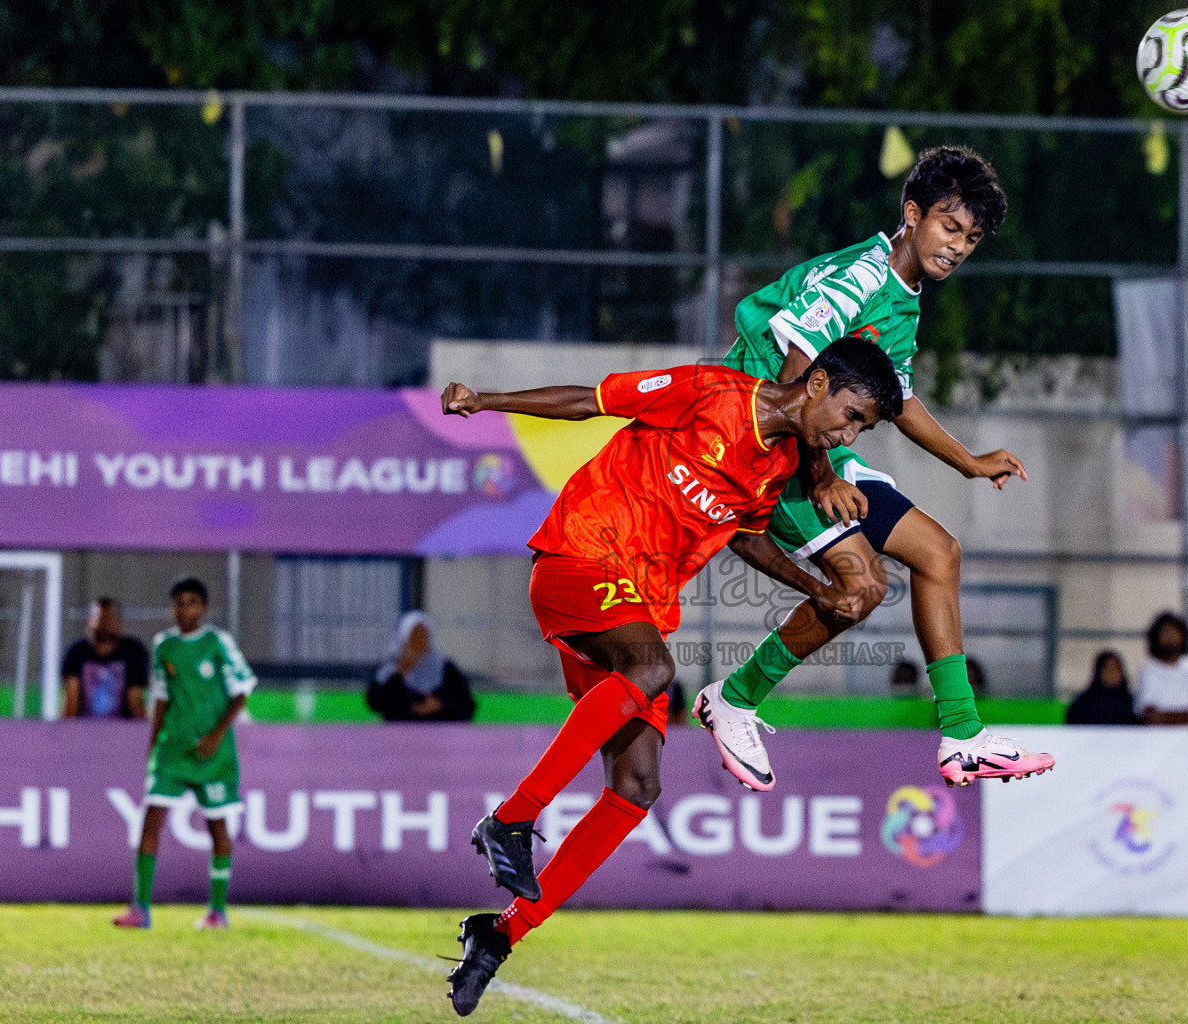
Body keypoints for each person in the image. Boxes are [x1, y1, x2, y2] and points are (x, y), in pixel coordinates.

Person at [437, 337, 905, 1015]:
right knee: (654, 668)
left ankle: (499, 934)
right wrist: (487, 400)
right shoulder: (710, 392)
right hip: (580, 556)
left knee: (638, 785)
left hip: (636, 607)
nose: (848, 431)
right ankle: (511, 820)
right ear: (818, 383)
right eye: (851, 414)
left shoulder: (775, 465)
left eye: (862, 426)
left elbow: (744, 536)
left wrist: (812, 585)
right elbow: (590, 402)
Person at [694, 145, 1054, 791]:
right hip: (760, 445)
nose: (959, 246)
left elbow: (900, 399)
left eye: (971, 237)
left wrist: (968, 463)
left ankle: (963, 737)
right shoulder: (861, 277)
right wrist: (821, 474)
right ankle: (737, 699)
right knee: (860, 589)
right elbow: (795, 374)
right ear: (912, 214)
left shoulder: (905, 297)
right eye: (949, 226)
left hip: (813, 447)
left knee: (939, 554)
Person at [112, 577, 255, 931]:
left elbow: (243, 689)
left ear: (203, 608)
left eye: (191, 602)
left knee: (217, 826)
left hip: (213, 755)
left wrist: (216, 735)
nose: (184, 608)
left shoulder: (217, 642)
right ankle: (141, 908)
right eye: (178, 602)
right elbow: (161, 699)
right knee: (151, 819)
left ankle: (217, 911)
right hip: (174, 751)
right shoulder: (164, 646)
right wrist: (153, 748)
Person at [366, 611, 476, 722]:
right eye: (413, 635)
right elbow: (375, 703)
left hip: (439, 735)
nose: (418, 640)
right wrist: (399, 674)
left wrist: (441, 706)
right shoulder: (390, 668)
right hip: (397, 735)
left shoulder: (445, 668)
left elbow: (466, 707)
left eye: (422, 635)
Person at [61, 597, 149, 719]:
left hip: (123, 730)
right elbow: (71, 698)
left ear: (119, 622)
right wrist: (66, 732)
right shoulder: (76, 652)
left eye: (109, 618)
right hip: (83, 729)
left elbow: (135, 697)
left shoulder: (133, 650)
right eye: (99, 618)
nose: (104, 624)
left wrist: (143, 732)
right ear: (89, 621)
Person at [1134, 612, 1188, 725]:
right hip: (1156, 739)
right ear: (1156, 637)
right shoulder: (1147, 670)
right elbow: (1151, 715)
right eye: (1165, 632)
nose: (1170, 636)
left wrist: (1167, 717)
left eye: (1174, 632)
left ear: (1183, 636)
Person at [1066, 650, 1141, 726]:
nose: (1112, 673)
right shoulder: (1083, 705)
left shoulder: (1133, 705)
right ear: (1099, 672)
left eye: (1116, 667)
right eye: (1107, 668)